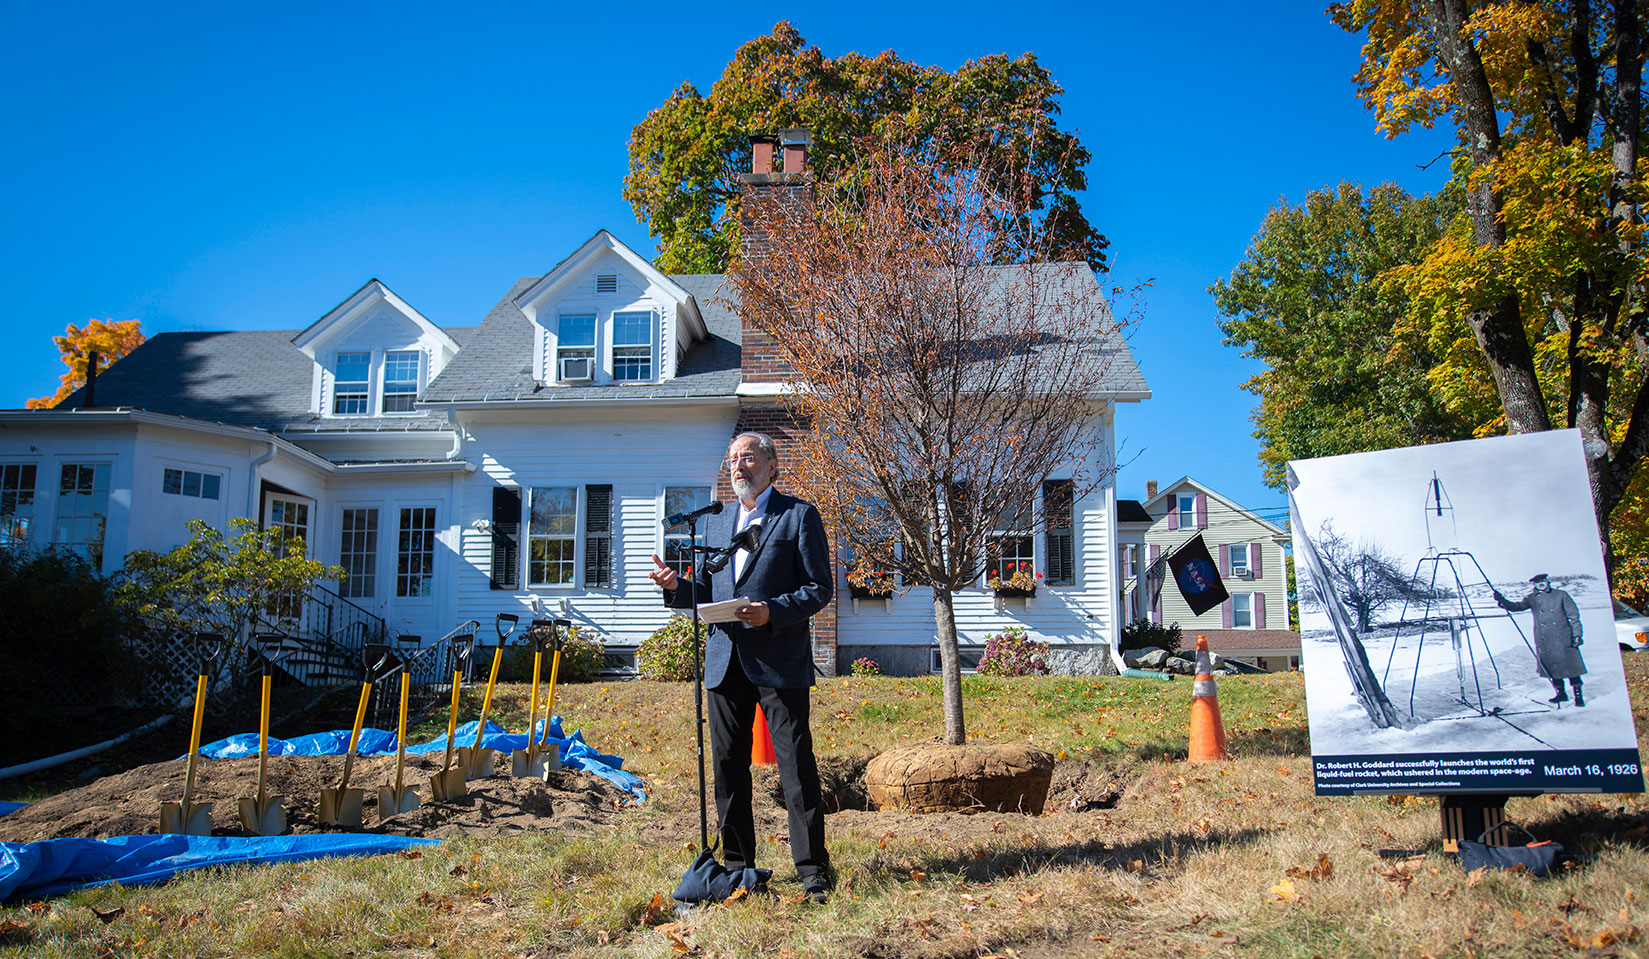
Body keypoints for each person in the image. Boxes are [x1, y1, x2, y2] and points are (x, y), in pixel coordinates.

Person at [648, 432, 835, 901]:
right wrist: (675, 588)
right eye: (732, 459)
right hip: (724, 661)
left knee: (796, 768)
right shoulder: (716, 523)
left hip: (779, 661)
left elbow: (819, 588)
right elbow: (710, 599)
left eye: (748, 457)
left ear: (772, 466)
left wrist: (772, 610)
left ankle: (812, 872)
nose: (738, 466)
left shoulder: (798, 516)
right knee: (728, 770)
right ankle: (737, 867)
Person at [1494, 573, 1586, 706]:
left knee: (1571, 668)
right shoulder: (1532, 598)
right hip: (1545, 639)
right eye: (1537, 582)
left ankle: (1578, 696)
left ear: (1548, 581)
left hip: (1563, 638)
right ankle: (1561, 694)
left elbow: (1574, 616)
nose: (1540, 584)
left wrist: (1577, 635)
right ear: (1534, 585)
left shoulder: (1561, 595)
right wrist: (1502, 600)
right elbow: (1517, 607)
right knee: (1552, 668)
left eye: (1542, 581)